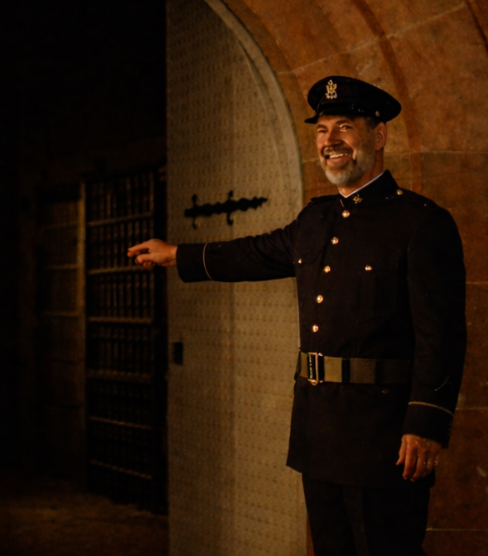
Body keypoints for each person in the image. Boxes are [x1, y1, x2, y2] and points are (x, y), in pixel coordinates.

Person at [128, 76, 466, 556]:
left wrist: (427, 424)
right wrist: (176, 254)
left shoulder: (421, 223)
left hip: (384, 435)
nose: (330, 141)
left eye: (344, 127)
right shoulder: (316, 219)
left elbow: (443, 335)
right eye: (322, 130)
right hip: (319, 430)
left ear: (379, 135)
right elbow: (256, 254)